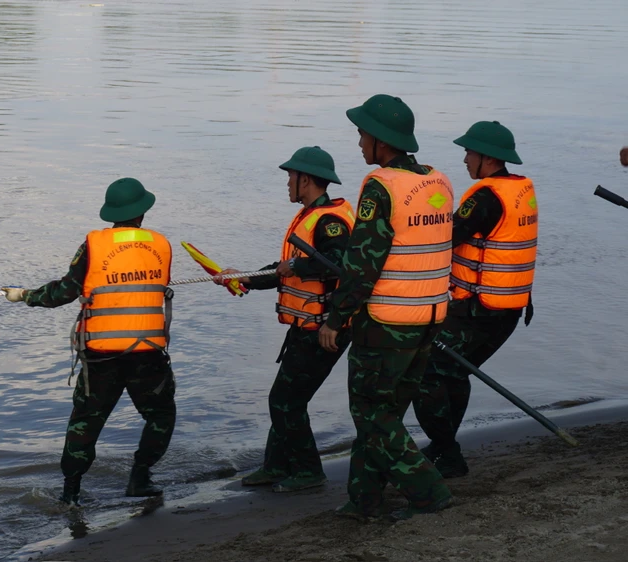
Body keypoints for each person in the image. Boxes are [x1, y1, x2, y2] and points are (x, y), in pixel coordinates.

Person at [317, 94, 454, 521]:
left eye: (362, 135)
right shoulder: (439, 181)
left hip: (387, 323)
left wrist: (335, 319)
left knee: (373, 417)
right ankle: (365, 499)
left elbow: (361, 266)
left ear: (380, 140)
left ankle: (429, 490)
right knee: (385, 413)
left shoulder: (381, 187)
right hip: (429, 318)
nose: (359, 143)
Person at [1, 178, 176, 506]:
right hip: (146, 354)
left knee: (85, 423)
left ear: (112, 212)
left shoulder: (94, 245)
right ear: (142, 211)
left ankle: (71, 493)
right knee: (161, 415)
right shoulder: (162, 245)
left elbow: (65, 292)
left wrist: (24, 296)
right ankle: (140, 477)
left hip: (100, 356)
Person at [214, 146, 355, 493]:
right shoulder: (310, 216)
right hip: (305, 327)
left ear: (305, 180)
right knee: (286, 399)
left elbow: (339, 263)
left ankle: (308, 471)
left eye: (291, 177)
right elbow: (285, 272)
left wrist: (296, 266)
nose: (287, 183)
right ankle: (276, 466)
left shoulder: (330, 222)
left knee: (285, 401)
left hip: (324, 329)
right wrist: (246, 277)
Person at [412, 121, 537, 478]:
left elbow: (448, 237)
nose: (465, 159)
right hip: (508, 310)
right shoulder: (520, 190)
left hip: (478, 310)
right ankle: (443, 447)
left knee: (428, 371)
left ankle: (447, 451)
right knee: (455, 370)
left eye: (469, 152)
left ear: (487, 157)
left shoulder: (485, 197)